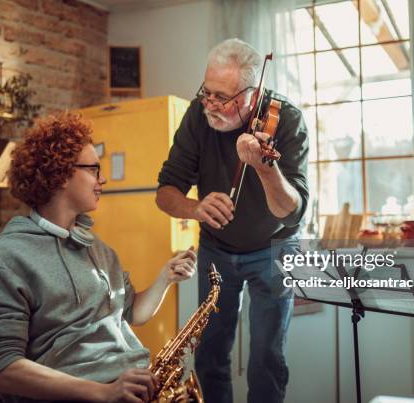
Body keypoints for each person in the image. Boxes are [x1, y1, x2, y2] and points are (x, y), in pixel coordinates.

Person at [0, 112, 197, 403]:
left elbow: (132, 313)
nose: (102, 179)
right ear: (60, 173)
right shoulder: (6, 258)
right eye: (93, 169)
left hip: (129, 385)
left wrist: (166, 277)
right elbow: (6, 370)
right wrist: (104, 392)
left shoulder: (98, 248)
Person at [156, 38, 309, 403]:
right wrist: (195, 208)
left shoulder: (286, 119)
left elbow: (293, 208)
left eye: (221, 98)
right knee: (209, 353)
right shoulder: (199, 114)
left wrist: (263, 167)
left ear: (252, 94)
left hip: (274, 247)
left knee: (266, 359)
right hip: (217, 249)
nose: (210, 105)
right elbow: (165, 192)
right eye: (206, 92)